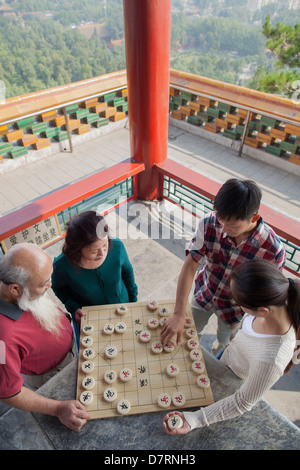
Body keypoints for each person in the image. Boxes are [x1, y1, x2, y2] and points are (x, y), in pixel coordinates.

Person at [163, 259, 299, 434]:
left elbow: (242, 402)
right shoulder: (277, 299)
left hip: (233, 385)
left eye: (240, 303)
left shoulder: (272, 359)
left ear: (263, 311)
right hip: (226, 359)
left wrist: (195, 419)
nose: (237, 306)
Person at [161, 178, 286, 354]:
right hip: (205, 291)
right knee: (190, 331)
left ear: (254, 218)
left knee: (225, 342)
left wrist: (249, 327)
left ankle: (219, 352)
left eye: (233, 226)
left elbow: (266, 296)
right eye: (221, 219)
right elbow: (190, 266)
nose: (224, 229)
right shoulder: (209, 223)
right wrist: (178, 313)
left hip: (236, 309)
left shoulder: (272, 250)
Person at [0, 243, 90, 431]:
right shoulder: (3, 340)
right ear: (15, 290)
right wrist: (57, 408)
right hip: (51, 373)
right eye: (43, 284)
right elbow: (9, 392)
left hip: (70, 349)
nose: (50, 285)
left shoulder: (20, 289)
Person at [52, 211, 138, 346]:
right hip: (91, 319)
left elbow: (128, 274)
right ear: (77, 249)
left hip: (123, 306)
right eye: (94, 251)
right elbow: (59, 289)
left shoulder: (117, 248)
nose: (102, 253)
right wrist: (74, 308)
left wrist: (134, 302)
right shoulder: (61, 266)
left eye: (104, 245)